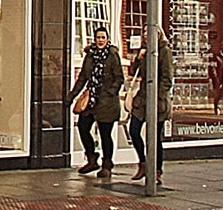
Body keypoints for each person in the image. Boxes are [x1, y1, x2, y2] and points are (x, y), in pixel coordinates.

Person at [67, 25, 124, 175]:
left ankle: (107, 164)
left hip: (107, 101)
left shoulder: (112, 55)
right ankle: (92, 158)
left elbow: (119, 78)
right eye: (98, 38)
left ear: (107, 39)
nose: (100, 40)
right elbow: (83, 78)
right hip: (91, 99)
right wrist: (72, 95)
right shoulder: (90, 55)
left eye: (103, 38)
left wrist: (110, 92)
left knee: (105, 133)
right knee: (83, 126)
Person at [129, 33, 174, 180]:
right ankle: (143, 163)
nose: (147, 35)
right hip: (142, 99)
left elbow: (167, 79)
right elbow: (134, 72)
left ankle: (157, 170)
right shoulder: (145, 50)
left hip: (157, 100)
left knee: (155, 137)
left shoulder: (164, 51)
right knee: (134, 131)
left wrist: (157, 96)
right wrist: (138, 58)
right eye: (144, 32)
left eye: (150, 31)